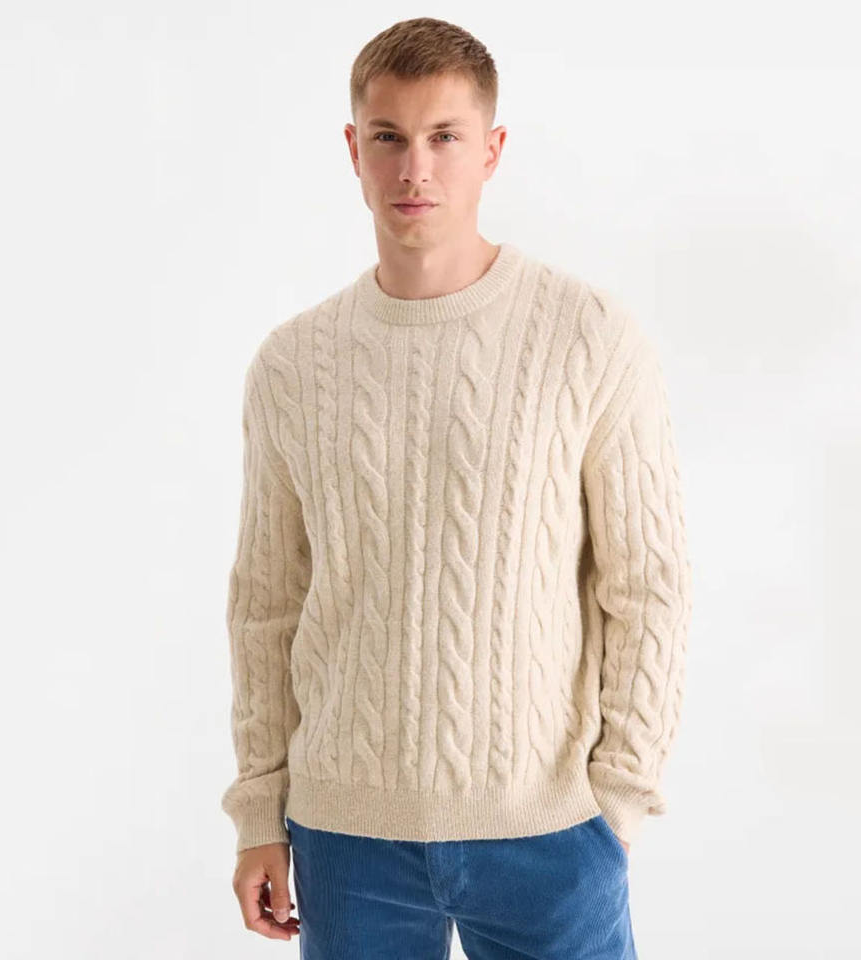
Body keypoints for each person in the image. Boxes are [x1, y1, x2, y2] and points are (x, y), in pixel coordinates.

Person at [221, 16, 692, 959]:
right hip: (345, 836)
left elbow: (649, 584)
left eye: (444, 137)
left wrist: (619, 803)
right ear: (354, 150)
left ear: (492, 150)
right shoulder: (294, 365)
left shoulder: (589, 337)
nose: (415, 169)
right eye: (389, 137)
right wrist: (258, 813)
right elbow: (267, 603)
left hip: (550, 834)